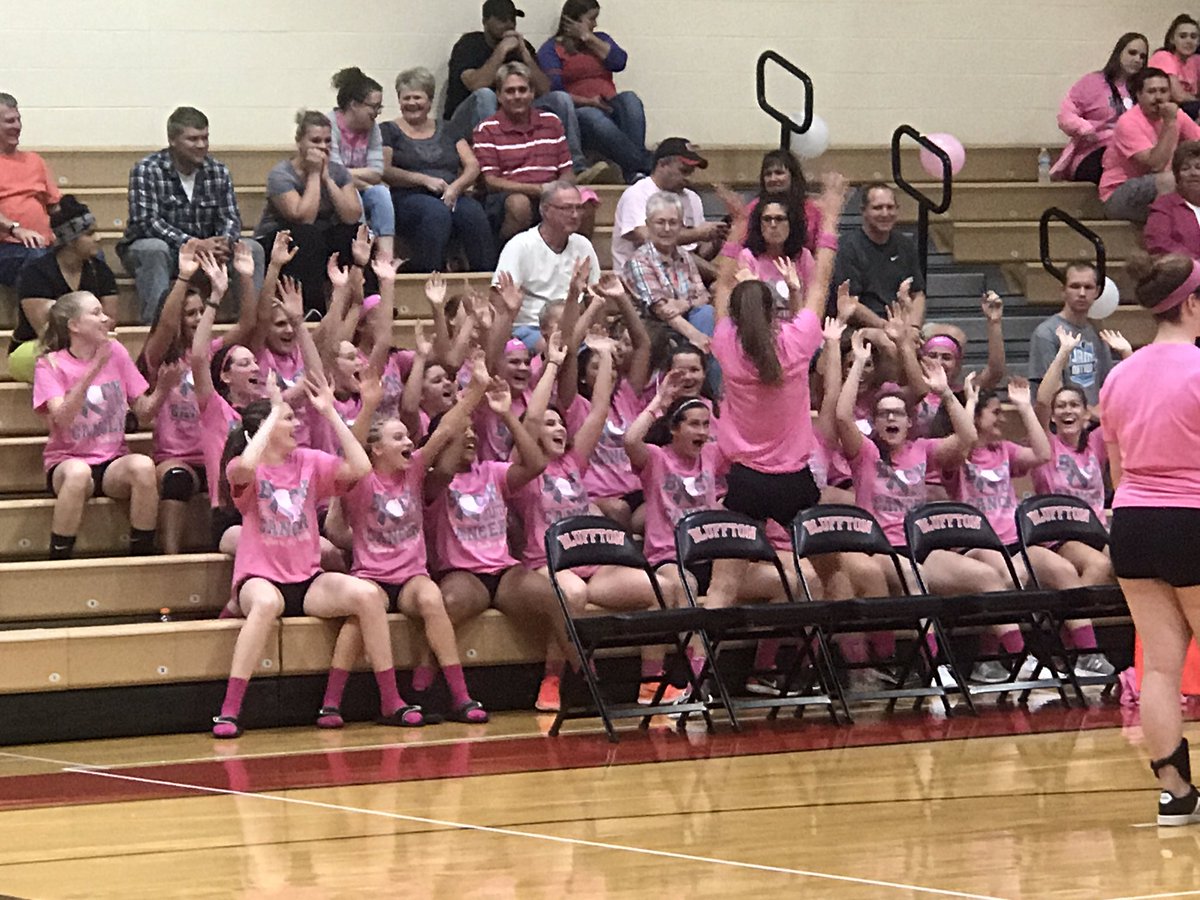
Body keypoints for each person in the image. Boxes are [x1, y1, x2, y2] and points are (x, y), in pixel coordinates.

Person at [212, 377, 426, 739]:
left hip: (307, 578)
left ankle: (391, 700)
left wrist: (330, 413)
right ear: (265, 428)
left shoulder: (309, 461)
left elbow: (360, 468)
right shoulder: (243, 466)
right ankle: (230, 710)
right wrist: (272, 413)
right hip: (259, 577)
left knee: (368, 595)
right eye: (288, 419)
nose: (296, 423)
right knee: (265, 603)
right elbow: (245, 468)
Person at [700, 173, 847, 612]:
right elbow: (821, 279)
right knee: (833, 573)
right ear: (773, 308)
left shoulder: (726, 342)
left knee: (722, 589)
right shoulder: (797, 340)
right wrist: (831, 217)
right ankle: (849, 650)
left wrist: (739, 226)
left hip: (745, 480)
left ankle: (699, 657)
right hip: (794, 480)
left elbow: (722, 283)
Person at [1099, 251, 1200, 826]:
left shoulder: (1120, 375)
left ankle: (1175, 794)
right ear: (1191, 304)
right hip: (1191, 518)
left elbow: (1117, 472)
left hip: (1133, 522)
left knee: (1160, 666)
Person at [338, 357, 493, 724]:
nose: (409, 441)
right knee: (361, 614)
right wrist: (369, 405)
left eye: (408, 436)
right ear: (377, 450)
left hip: (410, 577)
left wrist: (477, 390)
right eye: (398, 438)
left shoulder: (416, 470)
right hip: (372, 577)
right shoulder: (359, 480)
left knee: (431, 598)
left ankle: (461, 696)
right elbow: (352, 447)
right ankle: (351, 702)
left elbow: (447, 428)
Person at [31, 293, 168, 559]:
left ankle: (141, 556)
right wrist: (94, 369)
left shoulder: (116, 352)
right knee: (79, 473)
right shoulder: (49, 364)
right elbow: (62, 420)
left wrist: (163, 388)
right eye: (96, 313)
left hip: (113, 461)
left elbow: (143, 412)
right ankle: (59, 558)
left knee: (143, 466)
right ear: (74, 325)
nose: (105, 318)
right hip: (67, 460)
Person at [118, 106, 265, 324]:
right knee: (154, 249)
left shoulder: (218, 171)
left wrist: (224, 242)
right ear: (172, 140)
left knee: (252, 249)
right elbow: (146, 222)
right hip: (164, 251)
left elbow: (230, 217)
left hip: (209, 252)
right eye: (193, 139)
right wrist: (193, 244)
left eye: (205, 138)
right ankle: (158, 328)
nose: (201, 145)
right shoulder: (147, 169)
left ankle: (249, 324)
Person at [445, 0, 587, 176]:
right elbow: (476, 84)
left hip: (512, 116)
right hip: (464, 121)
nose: (509, 24)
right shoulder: (469, 44)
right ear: (485, 21)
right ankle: (492, 167)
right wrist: (501, 50)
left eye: (512, 19)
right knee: (485, 95)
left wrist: (526, 55)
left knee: (561, 98)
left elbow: (545, 89)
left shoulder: (522, 47)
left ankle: (576, 167)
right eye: (502, 19)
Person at [1032, 325, 1121, 600]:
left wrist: (1126, 355)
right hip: (1058, 533)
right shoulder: (1045, 443)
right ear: (1053, 417)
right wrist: (1063, 353)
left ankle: (1073, 620)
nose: (1067, 410)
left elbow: (1127, 405)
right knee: (1100, 565)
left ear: (1086, 415)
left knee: (1134, 562)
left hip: (1095, 530)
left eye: (1074, 405)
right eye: (1061, 406)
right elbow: (1043, 400)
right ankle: (1074, 623)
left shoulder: (1096, 443)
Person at [381, 67, 496, 272]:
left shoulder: (449, 128)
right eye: (406, 98)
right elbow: (385, 169)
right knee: (436, 214)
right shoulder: (388, 130)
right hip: (407, 197)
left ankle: (485, 277)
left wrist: (456, 187)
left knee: (473, 213)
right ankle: (427, 276)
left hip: (451, 194)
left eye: (417, 97)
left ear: (429, 100)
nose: (412, 103)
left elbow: (472, 165)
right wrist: (424, 180)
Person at [254, 111, 362, 315]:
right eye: (315, 141)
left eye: (327, 141)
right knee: (308, 235)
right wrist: (313, 174)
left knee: (354, 234)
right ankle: (313, 310)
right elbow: (304, 218)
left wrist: (327, 179)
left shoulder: (338, 172)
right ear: (299, 142)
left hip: (319, 237)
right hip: (280, 239)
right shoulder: (281, 174)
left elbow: (351, 216)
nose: (322, 146)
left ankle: (364, 304)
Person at [536, 0, 652, 183]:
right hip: (581, 110)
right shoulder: (551, 49)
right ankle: (645, 165)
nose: (595, 24)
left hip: (610, 103)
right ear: (574, 20)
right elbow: (555, 92)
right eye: (591, 19)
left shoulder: (600, 39)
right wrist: (589, 102)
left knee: (630, 99)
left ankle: (633, 169)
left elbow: (619, 62)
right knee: (593, 116)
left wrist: (588, 38)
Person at [10, 196, 117, 383]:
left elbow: (109, 321)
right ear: (70, 240)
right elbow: (46, 331)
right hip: (35, 345)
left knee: (115, 351)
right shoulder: (36, 272)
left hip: (87, 345)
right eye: (89, 233)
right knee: (54, 361)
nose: (98, 238)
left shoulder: (101, 271)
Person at [473, 63, 575, 241]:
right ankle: (509, 255)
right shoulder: (486, 129)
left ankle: (576, 255)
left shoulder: (552, 122)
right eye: (510, 91)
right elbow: (491, 181)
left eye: (522, 90)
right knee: (519, 204)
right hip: (507, 197)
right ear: (499, 96)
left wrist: (559, 192)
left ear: (532, 92)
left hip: (550, 193)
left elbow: (567, 171)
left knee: (585, 201)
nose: (517, 96)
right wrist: (538, 190)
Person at [492, 181, 600, 348]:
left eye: (579, 208)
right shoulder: (520, 245)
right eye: (567, 208)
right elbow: (498, 300)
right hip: (530, 327)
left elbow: (595, 295)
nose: (575, 215)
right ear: (545, 210)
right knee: (554, 347)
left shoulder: (583, 245)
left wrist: (598, 333)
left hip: (574, 326)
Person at [1099, 67, 1200, 224]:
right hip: (1119, 194)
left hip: (1159, 187)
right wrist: (1169, 123)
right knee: (1171, 180)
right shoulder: (1128, 122)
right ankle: (1163, 233)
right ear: (1139, 95)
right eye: (1152, 91)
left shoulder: (1177, 115)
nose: (1158, 97)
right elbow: (1156, 165)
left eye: (1163, 91)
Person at [611, 138, 726, 273]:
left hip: (682, 276)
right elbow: (647, 237)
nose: (689, 179)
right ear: (662, 165)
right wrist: (698, 234)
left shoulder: (692, 198)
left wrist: (717, 237)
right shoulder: (637, 194)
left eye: (691, 172)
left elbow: (697, 251)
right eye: (683, 171)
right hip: (639, 275)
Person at [1027, 262, 1127, 407]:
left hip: (1094, 418)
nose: (1082, 293)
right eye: (1075, 286)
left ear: (1097, 292)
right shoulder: (1046, 333)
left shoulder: (1096, 332)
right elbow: (1051, 396)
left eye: (1088, 287)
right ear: (1063, 291)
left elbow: (1106, 386)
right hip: (1065, 417)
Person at [1053, 33, 1148, 185]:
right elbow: (1066, 114)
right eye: (1132, 53)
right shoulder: (1093, 82)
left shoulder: (1143, 89)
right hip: (1095, 151)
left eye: (1142, 56)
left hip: (1133, 153)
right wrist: (1084, 128)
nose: (1138, 60)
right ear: (1119, 53)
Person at [623, 191, 713, 350]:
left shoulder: (685, 256)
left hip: (689, 321)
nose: (667, 228)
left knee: (707, 313)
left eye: (673, 222)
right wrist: (696, 337)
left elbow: (704, 296)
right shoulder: (639, 260)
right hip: (655, 330)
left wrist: (684, 304)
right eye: (660, 222)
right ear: (648, 225)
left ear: (681, 226)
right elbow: (662, 310)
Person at [833, 183, 927, 327]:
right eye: (877, 208)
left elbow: (918, 295)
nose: (885, 213)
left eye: (890, 207)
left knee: (953, 334)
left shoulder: (906, 244)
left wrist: (914, 328)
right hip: (864, 327)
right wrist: (886, 327)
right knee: (885, 341)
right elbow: (850, 302)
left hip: (903, 323)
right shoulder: (847, 247)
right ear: (863, 211)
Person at [328, 67, 395, 263]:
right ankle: (362, 251)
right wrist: (359, 179)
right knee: (353, 194)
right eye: (373, 107)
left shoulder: (373, 129)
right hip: (333, 191)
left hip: (362, 186)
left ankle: (386, 259)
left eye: (379, 107)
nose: (377, 113)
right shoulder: (329, 125)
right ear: (354, 104)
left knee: (381, 193)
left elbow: (377, 172)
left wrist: (352, 176)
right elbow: (333, 173)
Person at [0, 93, 59, 285]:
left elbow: (55, 206)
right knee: (39, 260)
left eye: (18, 120)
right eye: (10, 121)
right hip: (7, 247)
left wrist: (71, 232)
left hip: (42, 244)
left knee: (90, 255)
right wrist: (15, 229)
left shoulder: (34, 160)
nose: (17, 126)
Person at [1145, 141, 1200, 256]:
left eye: (1199, 167)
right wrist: (1194, 261)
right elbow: (1158, 242)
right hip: (1184, 266)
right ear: (1177, 176)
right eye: (1185, 169)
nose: (1193, 173)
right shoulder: (1164, 206)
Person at [1149, 15, 1200, 117]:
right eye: (1183, 36)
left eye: (1193, 37)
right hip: (1164, 112)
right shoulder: (1163, 56)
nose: (1189, 41)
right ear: (1172, 39)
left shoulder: (1196, 60)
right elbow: (1178, 96)